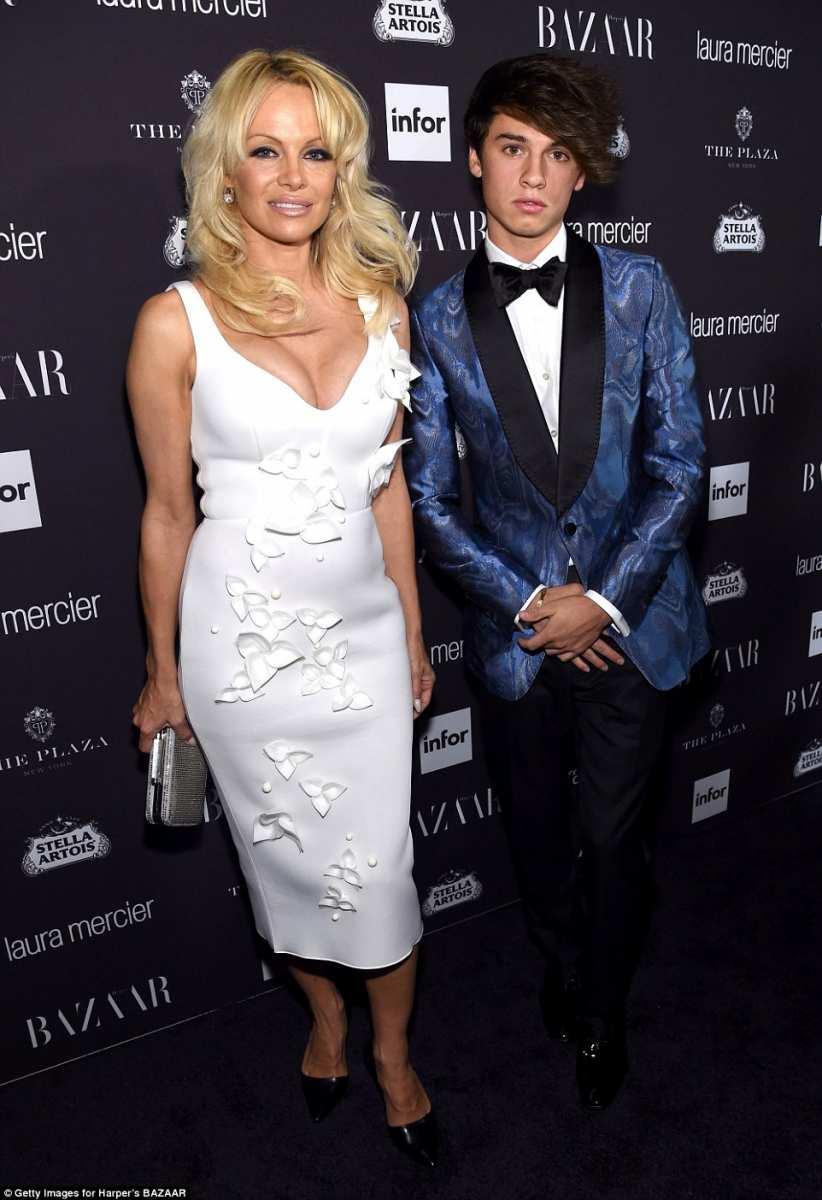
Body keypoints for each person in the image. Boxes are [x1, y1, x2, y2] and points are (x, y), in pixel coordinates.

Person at [127, 48, 438, 1165]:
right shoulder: (175, 324)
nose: (293, 176)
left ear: (343, 169)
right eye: (266, 150)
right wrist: (163, 673)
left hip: (363, 645)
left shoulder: (383, 309)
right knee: (286, 867)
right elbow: (168, 515)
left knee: (381, 873)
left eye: (316, 152)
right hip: (244, 653)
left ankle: (393, 1057)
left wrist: (412, 630)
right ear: (226, 171)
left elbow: (390, 490)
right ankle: (323, 1020)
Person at [405, 54, 710, 1111]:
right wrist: (535, 605)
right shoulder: (433, 320)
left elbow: (680, 465)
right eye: (512, 148)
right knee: (537, 839)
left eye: (557, 154)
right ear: (474, 159)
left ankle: (603, 1008)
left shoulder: (642, 288)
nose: (534, 176)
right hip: (520, 636)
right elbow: (429, 501)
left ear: (583, 171)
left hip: (636, 622)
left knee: (615, 841)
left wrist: (605, 599)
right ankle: (563, 960)